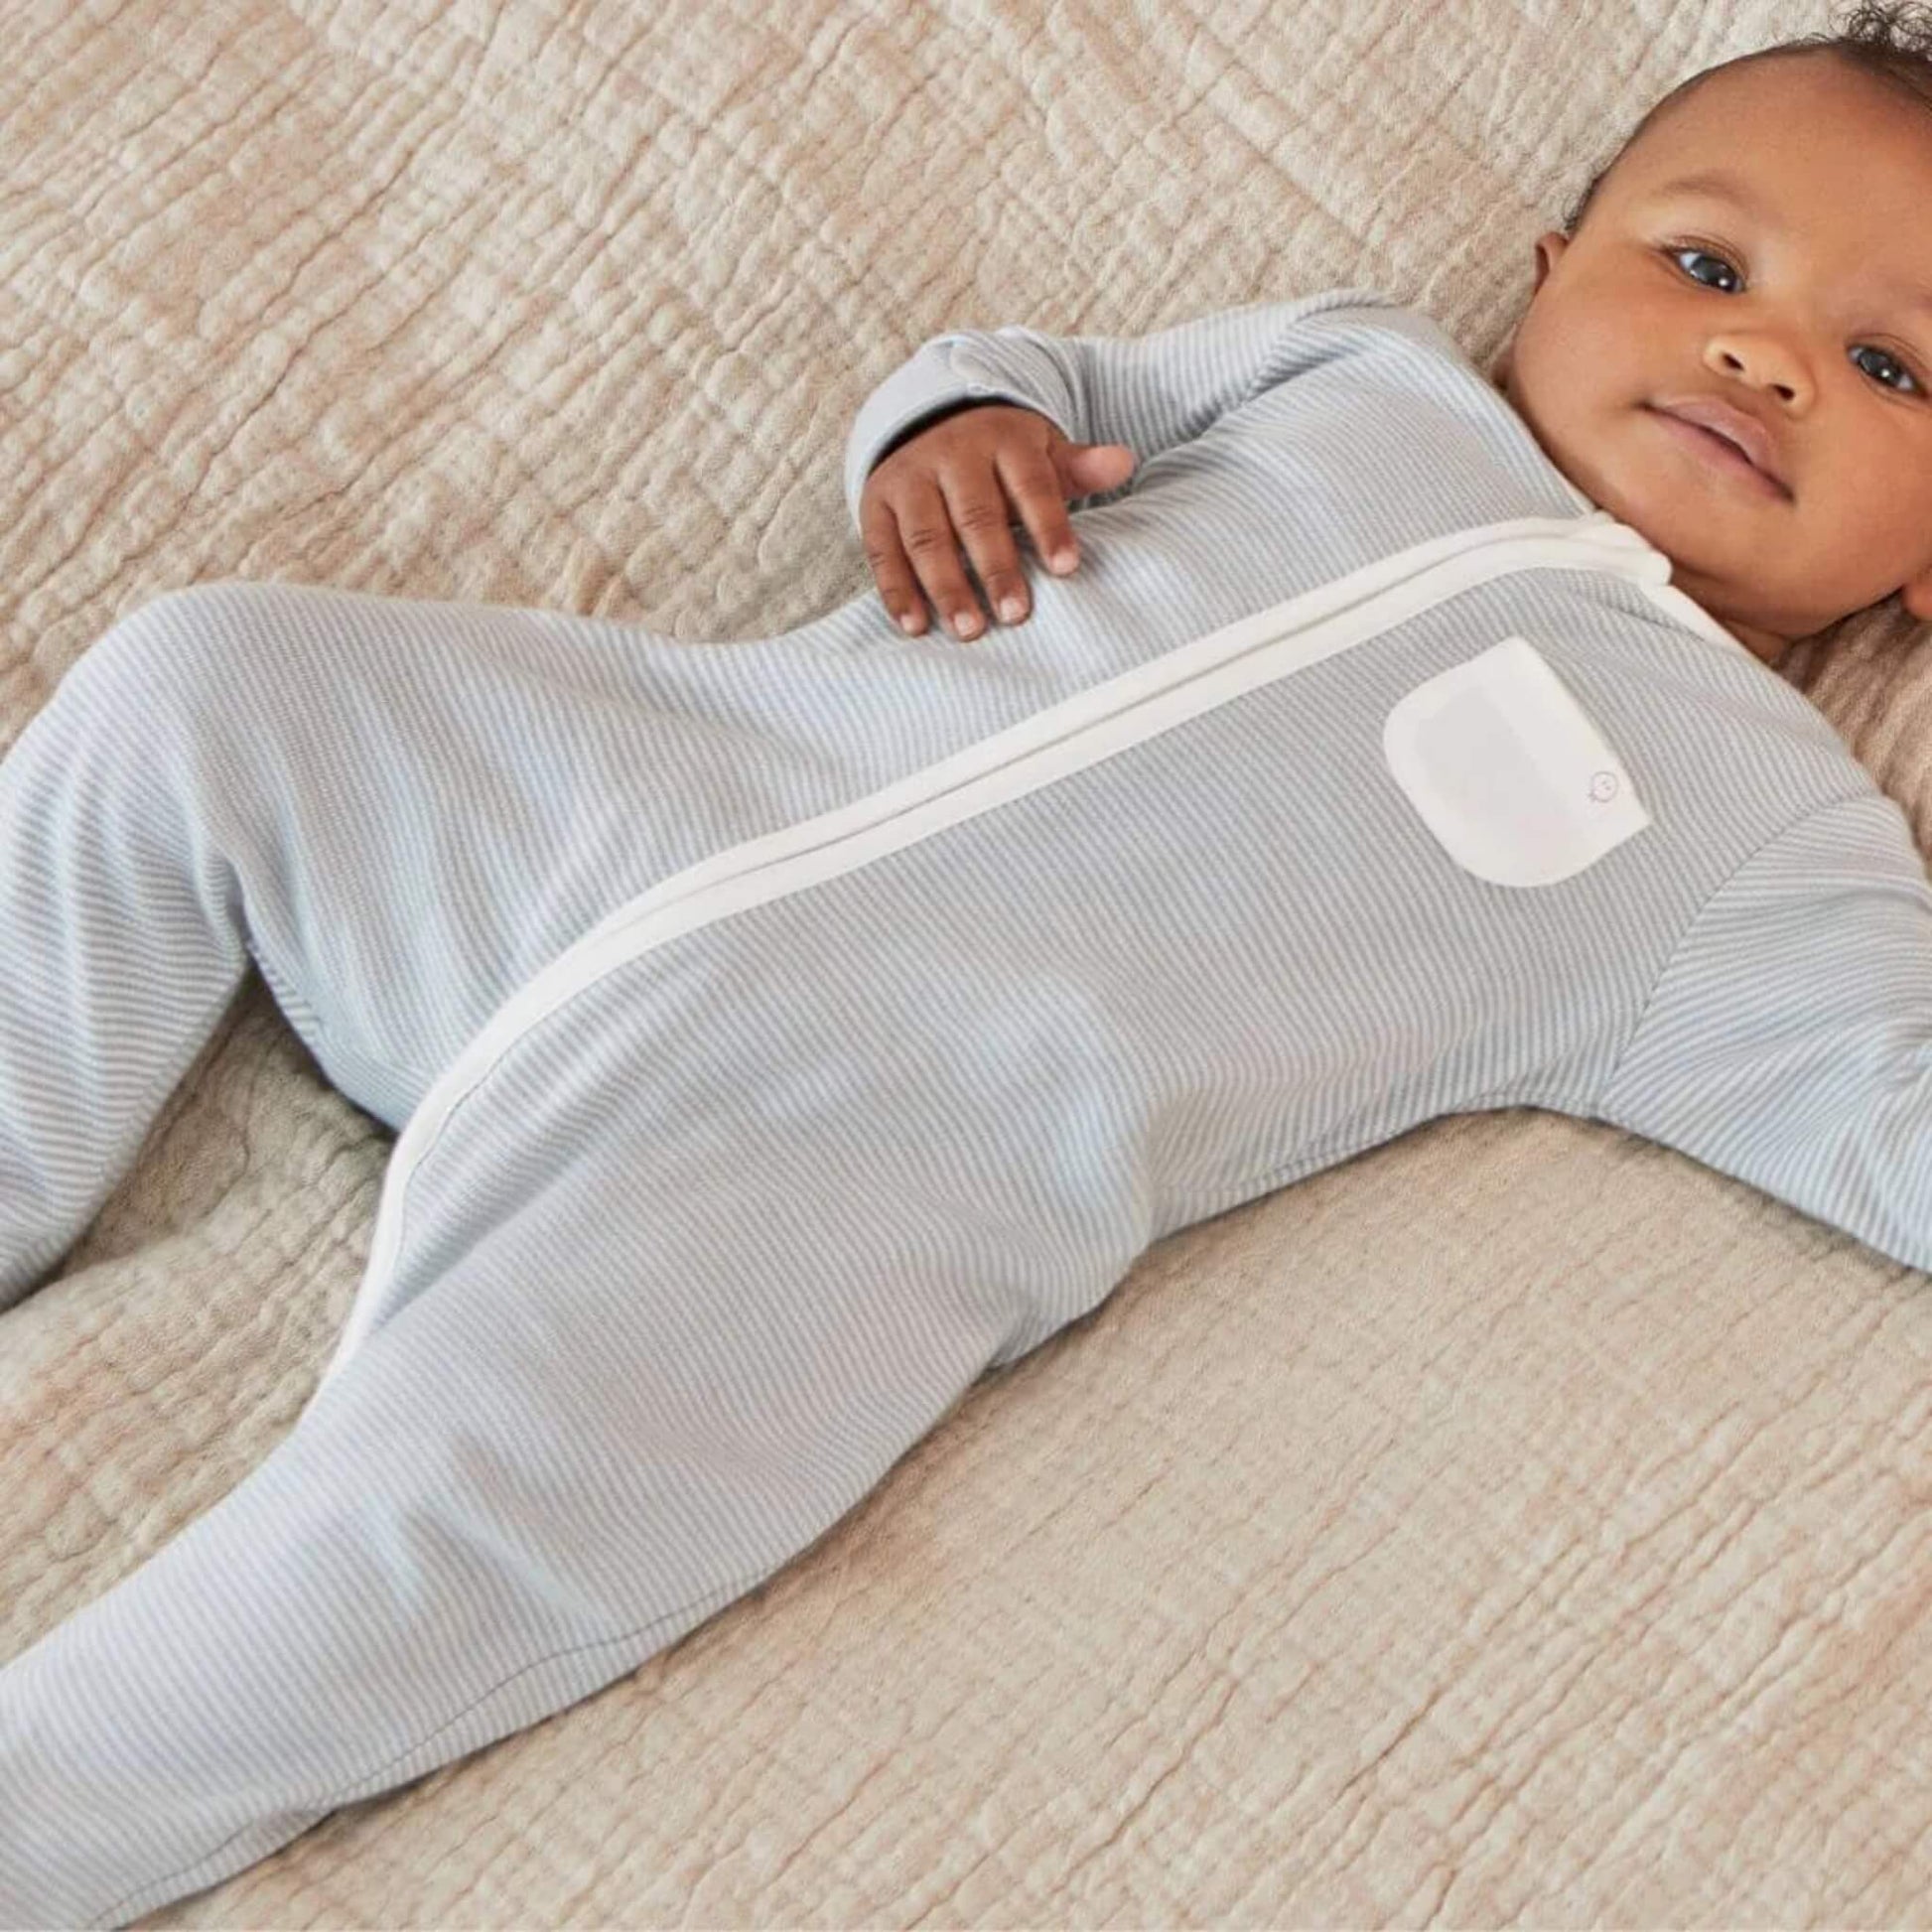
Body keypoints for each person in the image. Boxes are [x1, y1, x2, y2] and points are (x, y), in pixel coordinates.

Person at [7, 6, 1932, 1920]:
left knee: (433, 1542)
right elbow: (1041, 377)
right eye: (1701, 265)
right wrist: (948, 434)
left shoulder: (1754, 831)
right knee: (203, 689)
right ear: (1547, 268)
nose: (1762, 355)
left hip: (826, 1182)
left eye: (1885, 367)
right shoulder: (1359, 370)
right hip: (627, 796)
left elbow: (1893, 1108)